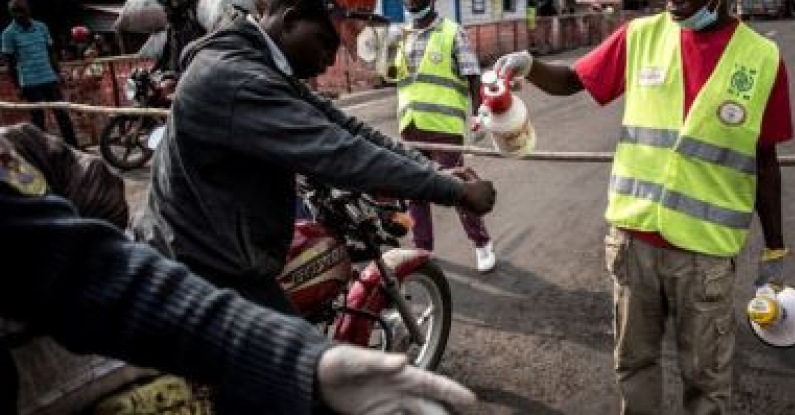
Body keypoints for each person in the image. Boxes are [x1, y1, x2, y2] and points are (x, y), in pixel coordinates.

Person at [496, 0, 793, 414]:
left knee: (707, 380)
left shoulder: (763, 60)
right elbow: (573, 80)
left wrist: (777, 246)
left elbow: (766, 160)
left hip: (705, 254)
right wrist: (528, 64)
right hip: (633, 241)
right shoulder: (641, 36)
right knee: (634, 364)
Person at [134, 0, 496, 315]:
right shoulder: (240, 78)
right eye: (327, 42)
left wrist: (436, 172)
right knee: (306, 362)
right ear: (290, 21)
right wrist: (453, 191)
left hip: (219, 246)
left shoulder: (261, 60)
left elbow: (348, 128)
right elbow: (343, 153)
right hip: (201, 271)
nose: (330, 59)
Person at [0, 136, 477, 414]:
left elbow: (90, 269)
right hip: (212, 255)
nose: (331, 46)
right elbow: (337, 143)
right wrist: (447, 185)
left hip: (171, 251)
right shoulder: (236, 75)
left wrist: (304, 362)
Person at [393, 0, 496, 272]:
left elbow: (472, 74)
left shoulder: (452, 32)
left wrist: (478, 113)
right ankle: (422, 249)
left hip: (443, 126)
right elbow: (393, 76)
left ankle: (481, 242)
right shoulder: (401, 35)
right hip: (410, 124)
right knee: (414, 190)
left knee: (455, 187)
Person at [1, 0, 79, 147]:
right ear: (11, 14)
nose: (18, 15)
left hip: (49, 77)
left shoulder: (41, 27)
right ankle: (43, 153)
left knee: (62, 115)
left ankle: (74, 147)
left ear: (28, 10)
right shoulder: (8, 34)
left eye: (21, 11)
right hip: (29, 82)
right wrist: (17, 86)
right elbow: (10, 63)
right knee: (38, 120)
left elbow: (51, 53)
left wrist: (58, 73)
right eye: (14, 12)